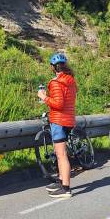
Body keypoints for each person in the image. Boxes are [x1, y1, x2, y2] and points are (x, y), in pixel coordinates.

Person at [37, 52, 77, 199]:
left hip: (59, 121)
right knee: (62, 153)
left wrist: (43, 97)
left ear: (53, 67)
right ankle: (61, 181)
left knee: (61, 155)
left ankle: (65, 188)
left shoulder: (56, 82)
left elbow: (58, 104)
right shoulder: (71, 80)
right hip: (69, 120)